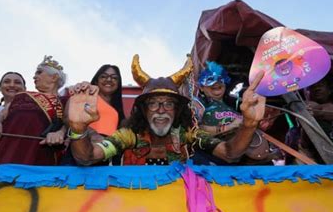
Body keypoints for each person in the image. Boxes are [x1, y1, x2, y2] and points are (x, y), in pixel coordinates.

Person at [67, 54, 268, 166]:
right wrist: (77, 130)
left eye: (169, 103)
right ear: (144, 110)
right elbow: (88, 156)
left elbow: (230, 153)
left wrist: (249, 124)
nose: (161, 110)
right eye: (153, 103)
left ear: (178, 110)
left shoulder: (187, 134)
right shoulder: (129, 136)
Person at [0, 56, 67, 165]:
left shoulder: (66, 100)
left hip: (40, 152)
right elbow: (1, 114)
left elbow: (71, 123)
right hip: (4, 148)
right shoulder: (22, 96)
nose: (34, 76)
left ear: (54, 77)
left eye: (39, 72)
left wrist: (61, 132)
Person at [62, 65, 125, 166]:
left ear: (118, 83)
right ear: (96, 80)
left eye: (114, 78)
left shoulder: (117, 109)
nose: (109, 79)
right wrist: (92, 134)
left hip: (106, 152)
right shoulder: (85, 96)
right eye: (104, 76)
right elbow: (68, 119)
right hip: (82, 145)